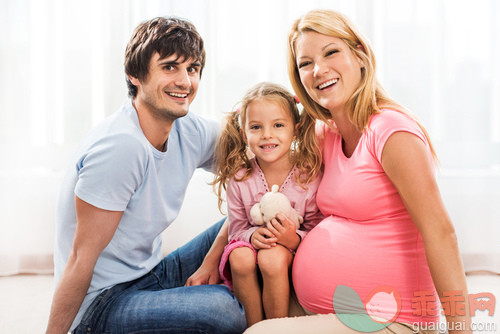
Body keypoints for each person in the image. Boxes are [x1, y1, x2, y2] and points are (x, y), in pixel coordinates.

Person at [245, 9, 471, 334]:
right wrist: (213, 259)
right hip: (329, 309)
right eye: (305, 63)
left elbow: (442, 235)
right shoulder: (327, 135)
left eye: (331, 52)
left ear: (360, 56)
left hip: (392, 319)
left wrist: (460, 331)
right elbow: (264, 183)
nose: (318, 69)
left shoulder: (392, 132)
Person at [46, 16, 246, 334]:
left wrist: (300, 118)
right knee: (224, 311)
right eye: (170, 67)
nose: (185, 82)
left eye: (192, 69)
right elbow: (79, 259)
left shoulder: (189, 129)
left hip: (151, 273)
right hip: (101, 304)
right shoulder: (121, 148)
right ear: (135, 75)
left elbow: (257, 158)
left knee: (253, 222)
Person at [212, 82, 324, 327]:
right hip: (252, 247)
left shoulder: (308, 174)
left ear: (295, 129)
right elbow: (237, 229)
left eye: (278, 125)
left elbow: (318, 230)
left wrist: (291, 239)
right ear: (244, 133)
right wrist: (252, 236)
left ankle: (275, 328)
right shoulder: (240, 178)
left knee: (271, 259)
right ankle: (253, 328)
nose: (267, 135)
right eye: (256, 127)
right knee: (238, 257)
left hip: (292, 250)